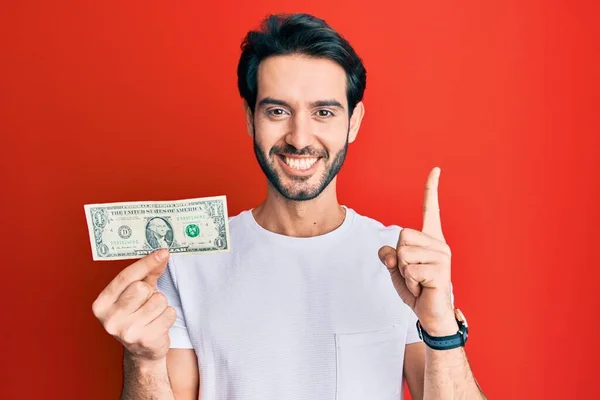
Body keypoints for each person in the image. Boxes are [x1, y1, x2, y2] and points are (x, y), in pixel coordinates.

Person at [92, 13, 487, 400]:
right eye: (277, 111)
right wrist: (143, 360)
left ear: (354, 121)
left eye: (324, 112)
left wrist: (440, 327)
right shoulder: (187, 263)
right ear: (251, 118)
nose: (299, 138)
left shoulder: (404, 265)